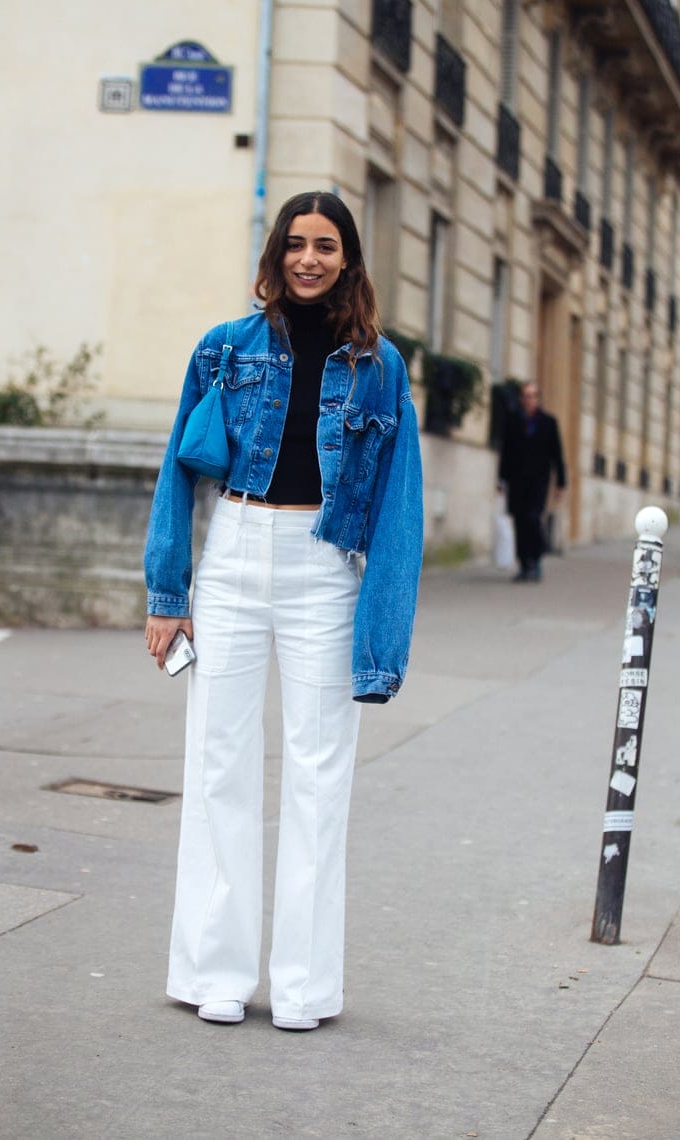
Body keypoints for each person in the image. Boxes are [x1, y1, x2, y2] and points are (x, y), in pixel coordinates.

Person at [143, 191, 423, 1031]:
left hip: (322, 566)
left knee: (318, 774)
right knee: (218, 762)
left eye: (326, 246)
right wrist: (168, 594)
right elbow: (175, 473)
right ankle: (215, 972)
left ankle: (303, 986)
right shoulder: (225, 347)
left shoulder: (382, 366)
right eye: (296, 244)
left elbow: (398, 510)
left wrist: (383, 637)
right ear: (277, 252)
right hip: (232, 554)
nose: (309, 258)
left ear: (349, 258)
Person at [497, 380, 566, 582]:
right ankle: (524, 563)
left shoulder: (548, 422)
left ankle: (535, 560)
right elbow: (506, 452)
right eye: (526, 395)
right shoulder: (512, 421)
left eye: (532, 395)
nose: (529, 399)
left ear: (538, 398)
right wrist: (501, 480)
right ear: (521, 398)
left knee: (533, 518)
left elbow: (557, 454)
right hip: (516, 481)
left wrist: (561, 482)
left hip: (539, 481)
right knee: (519, 520)